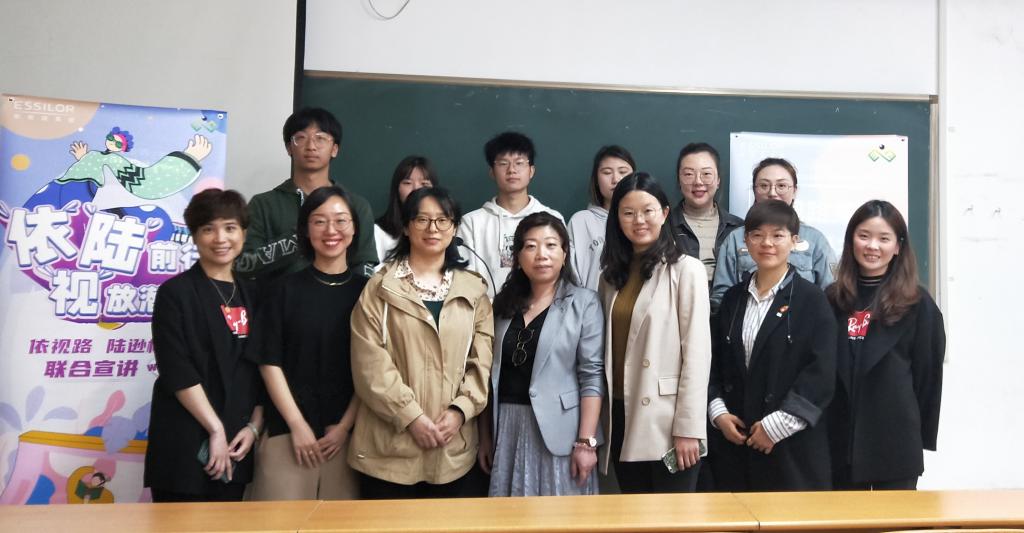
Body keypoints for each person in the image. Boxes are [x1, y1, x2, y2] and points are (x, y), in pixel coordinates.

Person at [349, 187, 494, 499]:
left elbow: (481, 364)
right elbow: (369, 365)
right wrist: (410, 417)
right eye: (422, 220)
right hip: (389, 452)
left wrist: (460, 411)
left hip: (453, 451)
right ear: (406, 226)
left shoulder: (474, 292)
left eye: (443, 220)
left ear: (454, 228)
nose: (433, 229)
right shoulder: (379, 288)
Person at [246, 186, 368, 500]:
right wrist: (296, 424)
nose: (331, 230)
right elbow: (268, 362)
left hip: (349, 439)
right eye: (319, 221)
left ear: (354, 228)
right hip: (287, 435)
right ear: (305, 229)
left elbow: (373, 368)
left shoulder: (370, 293)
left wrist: (344, 427)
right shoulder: (282, 290)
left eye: (340, 220)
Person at [707, 200, 837, 491]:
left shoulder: (812, 300)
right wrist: (718, 413)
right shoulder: (732, 299)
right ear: (745, 241)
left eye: (778, 235)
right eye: (757, 235)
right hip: (737, 443)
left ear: (795, 241)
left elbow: (822, 372)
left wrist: (775, 426)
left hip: (791, 447)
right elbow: (715, 362)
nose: (767, 243)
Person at [144, 189, 263, 502]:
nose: (220, 238)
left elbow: (263, 366)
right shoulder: (175, 293)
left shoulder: (255, 295)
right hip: (184, 441)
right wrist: (214, 429)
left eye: (230, 228)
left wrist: (253, 428)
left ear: (243, 233)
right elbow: (176, 369)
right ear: (195, 236)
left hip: (237, 442)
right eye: (208, 229)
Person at [598, 172, 712, 494]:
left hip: (668, 420)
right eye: (628, 212)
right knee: (633, 513)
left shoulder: (686, 269)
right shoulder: (609, 277)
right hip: (620, 413)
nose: (639, 220)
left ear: (664, 213)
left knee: (672, 516)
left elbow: (698, 354)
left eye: (647, 211)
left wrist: (689, 428)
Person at [479, 212, 605, 496]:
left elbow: (592, 375)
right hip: (507, 426)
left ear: (565, 253)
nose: (541, 255)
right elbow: (489, 375)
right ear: (518, 256)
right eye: (531, 246)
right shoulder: (502, 306)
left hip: (562, 432)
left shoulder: (584, 303)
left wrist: (586, 442)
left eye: (551, 245)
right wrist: (485, 436)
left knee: (561, 515)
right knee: (510, 515)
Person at [826, 200, 945, 490]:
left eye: (883, 238)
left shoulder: (918, 304)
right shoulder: (831, 298)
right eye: (864, 236)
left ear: (898, 246)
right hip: (836, 441)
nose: (872, 246)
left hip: (894, 441)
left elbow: (927, 378)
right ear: (851, 241)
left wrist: (917, 432)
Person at [236, 107, 377, 283]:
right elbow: (244, 265)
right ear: (289, 147)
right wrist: (297, 239)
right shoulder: (263, 204)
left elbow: (364, 264)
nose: (311, 146)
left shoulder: (356, 205)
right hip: (277, 298)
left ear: (334, 149)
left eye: (320, 138)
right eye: (301, 138)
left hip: (342, 298)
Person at [711, 157, 836, 310]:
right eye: (764, 186)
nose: (772, 193)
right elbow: (721, 296)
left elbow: (831, 295)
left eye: (781, 186)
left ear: (794, 191)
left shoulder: (815, 239)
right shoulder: (736, 239)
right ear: (754, 190)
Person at [458, 131, 564, 299]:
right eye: (503, 163)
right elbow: (464, 278)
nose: (512, 170)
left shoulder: (552, 219)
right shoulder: (471, 223)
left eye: (519, 163)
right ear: (492, 172)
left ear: (531, 171)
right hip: (487, 312)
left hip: (543, 310)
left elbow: (563, 273)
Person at [668, 142, 744, 285]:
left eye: (706, 174)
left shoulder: (738, 228)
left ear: (718, 180)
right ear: (679, 180)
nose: (698, 181)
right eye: (689, 174)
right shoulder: (664, 226)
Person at [567, 145, 636, 290]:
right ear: (596, 180)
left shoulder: (644, 221)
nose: (616, 179)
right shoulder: (581, 221)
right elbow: (571, 275)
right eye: (607, 172)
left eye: (623, 172)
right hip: (590, 302)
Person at [374, 155, 437, 265]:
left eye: (424, 184)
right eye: (407, 183)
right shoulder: (378, 232)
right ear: (397, 189)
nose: (416, 189)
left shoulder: (440, 231)